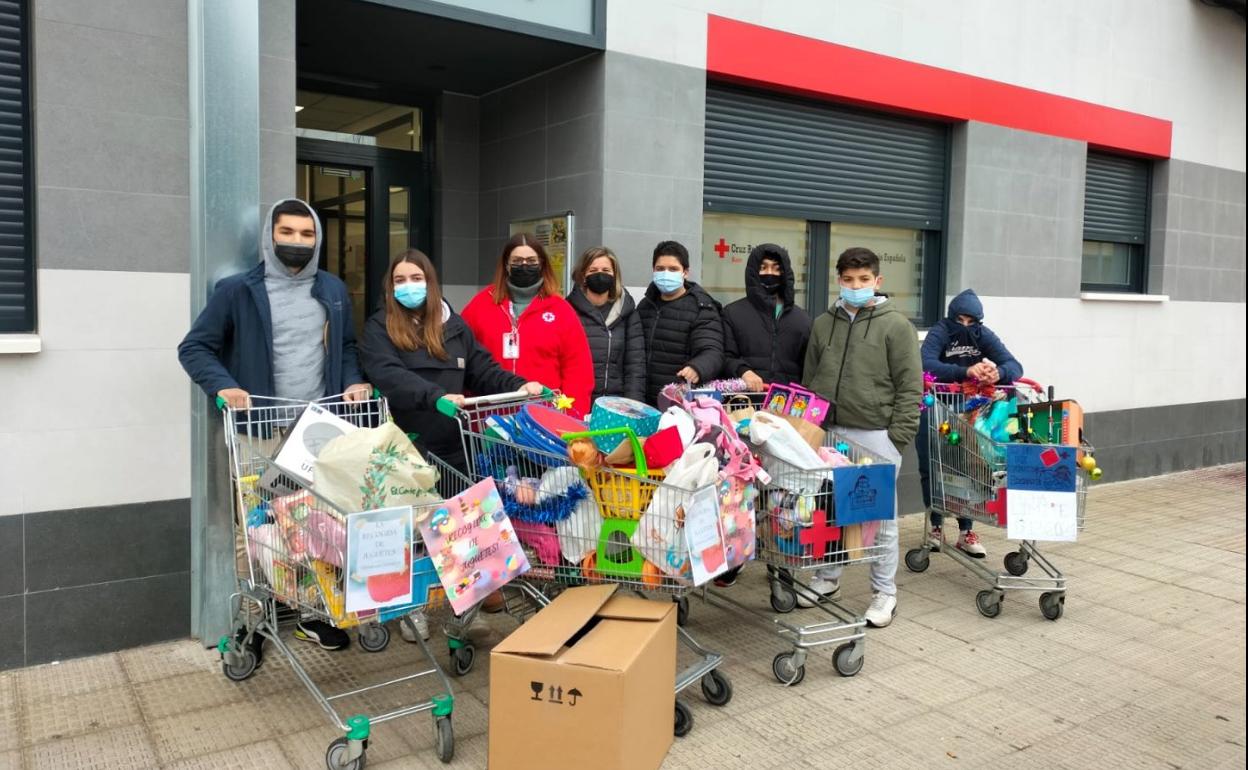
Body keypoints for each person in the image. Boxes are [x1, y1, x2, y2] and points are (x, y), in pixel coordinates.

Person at [178, 198, 370, 653]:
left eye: (307, 235)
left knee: (313, 524)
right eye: (288, 233)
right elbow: (195, 348)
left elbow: (345, 348)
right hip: (258, 430)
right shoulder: (237, 291)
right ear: (270, 235)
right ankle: (253, 617)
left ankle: (311, 615)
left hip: (315, 431)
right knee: (257, 525)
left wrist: (354, 382)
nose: (297, 243)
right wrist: (223, 387)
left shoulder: (333, 289)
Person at [360, 249, 544, 642]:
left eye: (416, 278)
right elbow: (388, 375)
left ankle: (469, 610)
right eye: (400, 281)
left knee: (465, 528)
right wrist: (434, 396)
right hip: (408, 447)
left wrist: (519, 386)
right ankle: (413, 611)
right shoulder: (379, 328)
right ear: (390, 288)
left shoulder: (453, 326)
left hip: (454, 442)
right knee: (414, 534)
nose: (409, 287)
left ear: (431, 282)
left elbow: (483, 367)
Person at [801, 247, 922, 628]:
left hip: (875, 436)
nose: (856, 286)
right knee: (831, 512)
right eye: (849, 280)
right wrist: (812, 427)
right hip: (831, 433)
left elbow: (910, 387)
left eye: (864, 280)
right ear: (839, 281)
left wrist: (896, 439)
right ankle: (827, 579)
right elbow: (810, 378)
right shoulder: (824, 323)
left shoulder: (896, 326)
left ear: (877, 282)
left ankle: (885, 593)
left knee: (880, 520)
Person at [715, 243, 812, 588]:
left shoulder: (801, 319)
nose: (769, 274)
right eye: (763, 267)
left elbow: (808, 369)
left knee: (782, 493)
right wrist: (742, 370)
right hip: (743, 416)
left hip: (786, 422)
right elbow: (725, 355)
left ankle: (780, 559)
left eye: (776, 268)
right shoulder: (734, 313)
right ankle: (736, 555)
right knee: (740, 490)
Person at [918, 289, 1024, 558]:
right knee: (934, 464)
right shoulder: (940, 331)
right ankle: (935, 526)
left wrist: (997, 372)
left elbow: (1014, 365)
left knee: (967, 464)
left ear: (979, 321)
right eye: (961, 320)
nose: (965, 326)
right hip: (937, 406)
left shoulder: (984, 334)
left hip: (968, 411)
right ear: (952, 316)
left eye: (971, 321)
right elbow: (925, 362)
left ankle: (966, 531)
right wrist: (965, 371)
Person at [461, 233, 594, 418]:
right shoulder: (480, 305)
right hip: (489, 419)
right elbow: (462, 353)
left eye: (531, 260)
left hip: (544, 419)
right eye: (517, 260)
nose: (524, 265)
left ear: (541, 264)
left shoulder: (561, 310)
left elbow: (578, 371)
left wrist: (571, 417)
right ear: (506, 265)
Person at [637, 240, 724, 406]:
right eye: (660, 269)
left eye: (673, 269)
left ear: (685, 272)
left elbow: (712, 351)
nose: (666, 274)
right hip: (645, 400)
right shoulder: (645, 306)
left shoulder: (702, 307)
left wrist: (697, 368)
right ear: (653, 270)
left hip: (679, 401)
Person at [566, 246, 646, 403]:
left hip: (616, 404)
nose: (600, 274)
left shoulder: (627, 312)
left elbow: (635, 366)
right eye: (593, 270)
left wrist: (633, 405)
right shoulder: (567, 310)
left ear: (614, 275)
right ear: (583, 275)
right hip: (577, 402)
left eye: (606, 270)